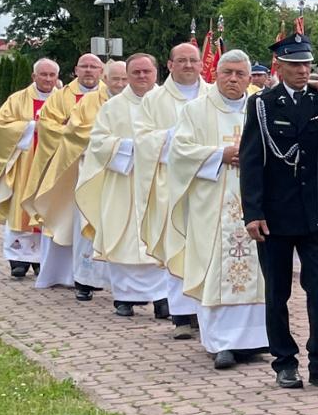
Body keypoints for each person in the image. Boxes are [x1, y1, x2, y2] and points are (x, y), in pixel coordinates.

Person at [239, 34, 318, 391]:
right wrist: (252, 212)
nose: (303, 70)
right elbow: (252, 161)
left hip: (315, 213)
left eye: (307, 64)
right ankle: (284, 361)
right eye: (296, 64)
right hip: (276, 213)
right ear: (279, 66)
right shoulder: (263, 104)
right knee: (278, 292)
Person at [156, 50, 271, 369]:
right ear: (216, 74)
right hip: (212, 203)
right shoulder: (196, 110)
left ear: (249, 78)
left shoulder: (260, 107)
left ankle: (256, 339)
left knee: (259, 270)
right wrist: (220, 154)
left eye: (240, 74)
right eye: (227, 73)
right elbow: (178, 152)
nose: (233, 79)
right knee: (216, 269)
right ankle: (221, 343)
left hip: (256, 202)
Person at [76, 53, 174, 321]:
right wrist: (133, 147)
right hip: (124, 182)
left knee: (160, 235)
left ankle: (162, 298)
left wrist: (153, 147)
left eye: (147, 72)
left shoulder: (170, 103)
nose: (142, 77)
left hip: (158, 182)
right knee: (122, 235)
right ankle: (124, 297)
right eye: (136, 73)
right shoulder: (113, 106)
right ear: (127, 75)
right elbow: (97, 142)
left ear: (156, 73)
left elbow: (181, 139)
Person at [140, 43, 213, 339]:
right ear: (169, 65)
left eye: (193, 60)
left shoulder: (214, 95)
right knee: (178, 242)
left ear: (201, 64)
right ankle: (182, 314)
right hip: (172, 183)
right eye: (181, 60)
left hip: (210, 183)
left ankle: (205, 310)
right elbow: (142, 139)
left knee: (207, 246)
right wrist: (174, 137)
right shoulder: (154, 99)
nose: (187, 65)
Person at [29, 54, 109, 300]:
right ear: (75, 69)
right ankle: (66, 274)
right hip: (69, 169)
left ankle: (99, 277)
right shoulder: (59, 97)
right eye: (83, 66)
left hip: (104, 168)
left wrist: (78, 133)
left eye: (93, 67)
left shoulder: (113, 94)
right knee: (70, 219)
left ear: (101, 71)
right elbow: (47, 126)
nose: (88, 71)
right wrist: (78, 137)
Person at [0, 60, 61, 278]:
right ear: (34, 76)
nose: (48, 79)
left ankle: (41, 260)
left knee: (47, 208)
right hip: (25, 164)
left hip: (52, 164)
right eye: (43, 75)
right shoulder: (18, 99)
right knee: (21, 208)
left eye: (52, 75)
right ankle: (18, 260)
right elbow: (3, 125)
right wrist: (31, 126)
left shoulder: (63, 99)